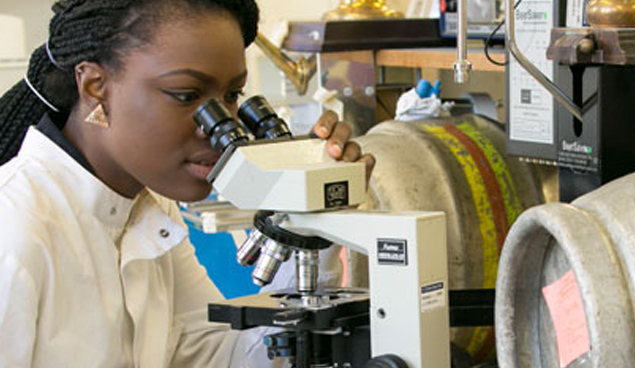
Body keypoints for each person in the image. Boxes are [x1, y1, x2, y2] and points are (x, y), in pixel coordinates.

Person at [0, 0, 375, 367]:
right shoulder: (15, 230)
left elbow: (221, 357)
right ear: (96, 86)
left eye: (231, 97)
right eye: (186, 96)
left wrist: (313, 219)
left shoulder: (145, 208)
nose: (219, 128)